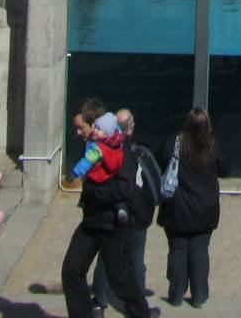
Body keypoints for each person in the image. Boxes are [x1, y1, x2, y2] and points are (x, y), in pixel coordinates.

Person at [61, 98, 154, 318]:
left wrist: (91, 190)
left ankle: (141, 314)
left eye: (80, 127)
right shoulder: (92, 146)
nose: (78, 133)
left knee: (120, 280)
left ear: (94, 125)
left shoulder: (122, 150)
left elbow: (124, 188)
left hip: (113, 225)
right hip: (92, 221)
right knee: (72, 272)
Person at [157, 108, 229, 308]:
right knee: (199, 250)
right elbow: (226, 169)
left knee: (178, 250)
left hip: (176, 207)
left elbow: (159, 161)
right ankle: (199, 296)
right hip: (204, 209)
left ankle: (176, 294)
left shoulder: (174, 142)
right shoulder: (212, 146)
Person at [94, 108, 155, 312]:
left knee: (105, 257)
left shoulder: (104, 149)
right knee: (136, 257)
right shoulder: (139, 149)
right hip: (135, 207)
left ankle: (100, 298)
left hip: (113, 206)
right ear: (132, 125)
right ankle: (138, 302)